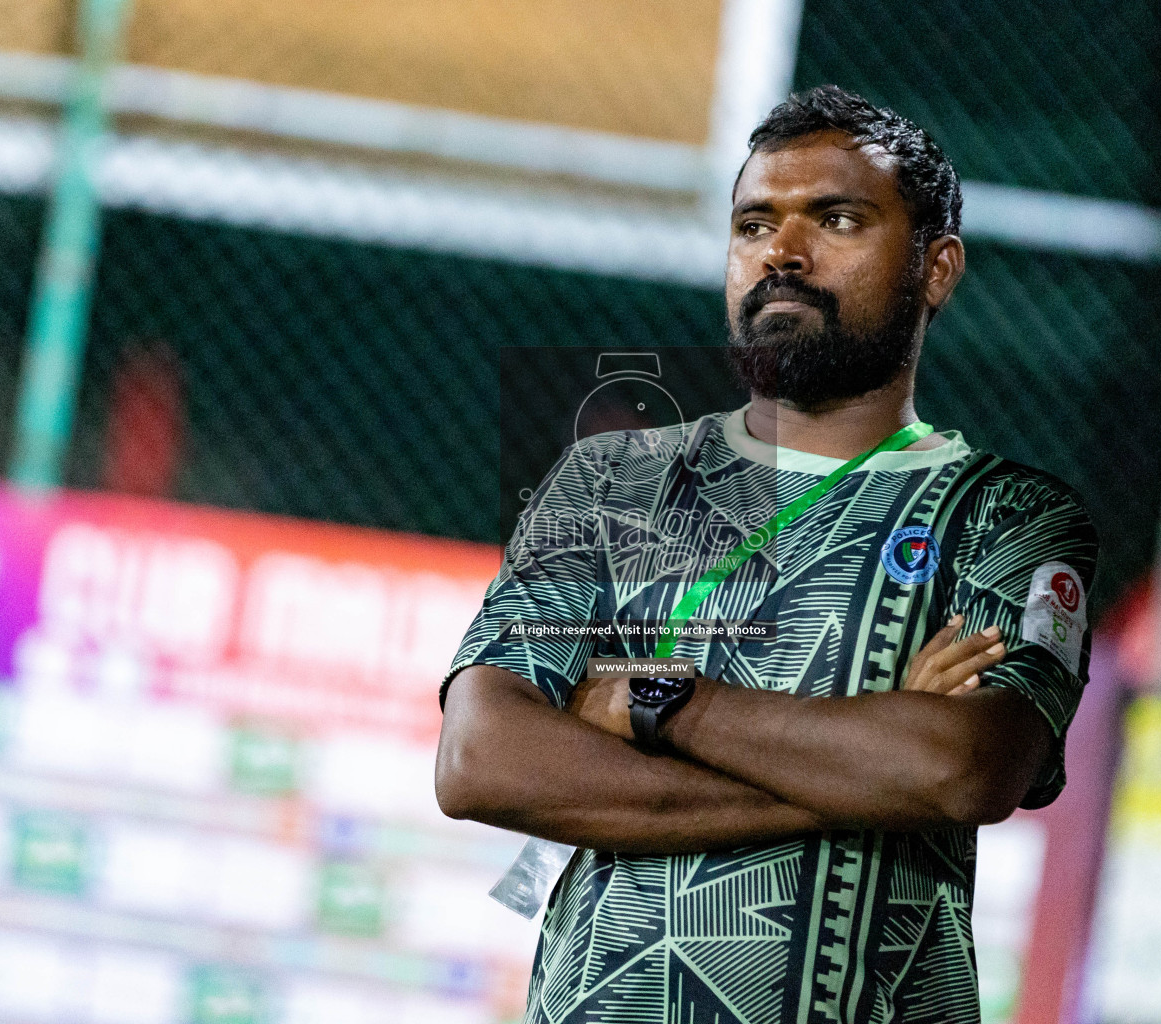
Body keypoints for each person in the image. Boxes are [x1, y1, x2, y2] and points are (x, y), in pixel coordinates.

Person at [436, 84, 1098, 1024]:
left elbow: (963, 769)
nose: (782, 253)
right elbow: (479, 760)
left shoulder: (1011, 515)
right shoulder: (609, 484)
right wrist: (868, 769)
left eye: (836, 218)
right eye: (754, 225)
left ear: (936, 267)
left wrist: (651, 700)